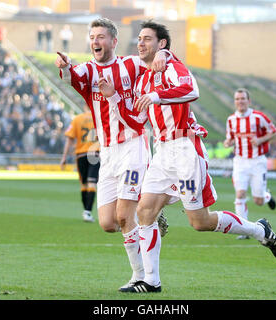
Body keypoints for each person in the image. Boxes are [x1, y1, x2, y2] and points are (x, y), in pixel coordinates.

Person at [99, 21, 276, 293]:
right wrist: (113, 98)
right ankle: (150, 280)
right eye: (139, 38)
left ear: (162, 44)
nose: (140, 43)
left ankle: (259, 230)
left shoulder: (172, 67)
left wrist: (157, 93)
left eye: (147, 39)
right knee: (145, 210)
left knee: (200, 222)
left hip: (185, 149)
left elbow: (191, 91)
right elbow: (136, 119)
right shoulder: (143, 80)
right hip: (162, 151)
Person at [55, 18, 169, 290]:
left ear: (114, 42)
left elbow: (156, 58)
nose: (96, 41)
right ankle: (150, 209)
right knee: (108, 223)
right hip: (106, 151)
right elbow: (73, 73)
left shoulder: (130, 64)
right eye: (93, 36)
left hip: (133, 144)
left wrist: (163, 53)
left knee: (123, 216)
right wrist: (65, 64)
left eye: (102, 36)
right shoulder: (88, 70)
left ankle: (141, 277)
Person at [223, 88, 276, 240]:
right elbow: (231, 138)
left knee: (258, 201)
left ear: (249, 101)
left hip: (257, 161)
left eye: (242, 99)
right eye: (237, 99)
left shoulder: (258, 117)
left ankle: (266, 196)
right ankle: (244, 230)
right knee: (240, 194)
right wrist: (228, 142)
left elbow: (274, 131)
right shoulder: (231, 120)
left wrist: (260, 140)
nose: (240, 101)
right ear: (235, 102)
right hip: (240, 161)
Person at [60, 105, 100, 222]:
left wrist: (64, 157)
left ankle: (86, 212)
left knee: (84, 184)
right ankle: (87, 212)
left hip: (81, 154)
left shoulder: (77, 119)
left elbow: (69, 139)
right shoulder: (97, 118)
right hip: (95, 153)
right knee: (92, 183)